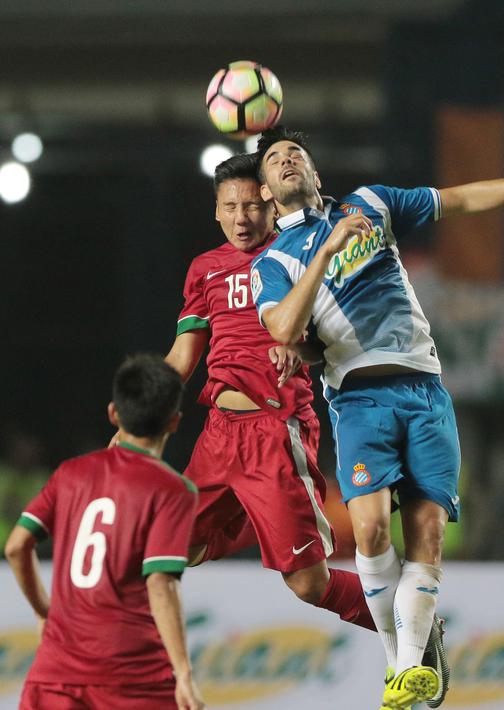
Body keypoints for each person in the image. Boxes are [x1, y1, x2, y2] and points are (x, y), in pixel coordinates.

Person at [249, 125, 504, 709]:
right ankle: (403, 661)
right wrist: (329, 248)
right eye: (274, 160)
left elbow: (462, 199)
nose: (287, 160)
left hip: (423, 387)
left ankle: (407, 673)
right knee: (367, 530)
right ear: (266, 191)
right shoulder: (273, 262)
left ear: (317, 175)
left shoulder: (371, 204)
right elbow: (284, 328)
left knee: (427, 535)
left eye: (296, 154)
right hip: (359, 396)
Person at [155, 151, 383, 636]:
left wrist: (301, 350)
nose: (241, 218)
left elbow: (337, 335)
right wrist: (138, 419)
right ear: (215, 211)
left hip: (275, 432)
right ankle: (254, 516)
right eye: (229, 207)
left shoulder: (295, 254)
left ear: (270, 203)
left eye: (251, 206)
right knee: (168, 551)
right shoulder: (204, 269)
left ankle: (414, 625)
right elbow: (181, 359)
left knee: (308, 584)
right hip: (218, 435)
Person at [5, 354, 204, 710]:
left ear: (114, 413)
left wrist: (44, 611)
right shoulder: (172, 490)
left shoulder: (70, 474)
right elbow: (160, 582)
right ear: (174, 422)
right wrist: (184, 672)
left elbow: (17, 546)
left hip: (56, 676)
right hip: (133, 676)